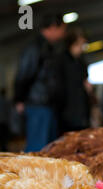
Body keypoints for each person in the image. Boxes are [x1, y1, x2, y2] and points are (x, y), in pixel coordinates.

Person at [14, 13, 66, 152]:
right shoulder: (35, 48)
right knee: (37, 149)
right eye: (62, 29)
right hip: (38, 105)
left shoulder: (48, 48)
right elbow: (24, 75)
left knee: (48, 149)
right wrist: (19, 99)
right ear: (53, 27)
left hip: (47, 105)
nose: (63, 33)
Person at [57, 27, 92, 133]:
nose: (81, 48)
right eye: (79, 44)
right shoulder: (61, 61)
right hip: (67, 112)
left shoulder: (81, 62)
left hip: (81, 111)